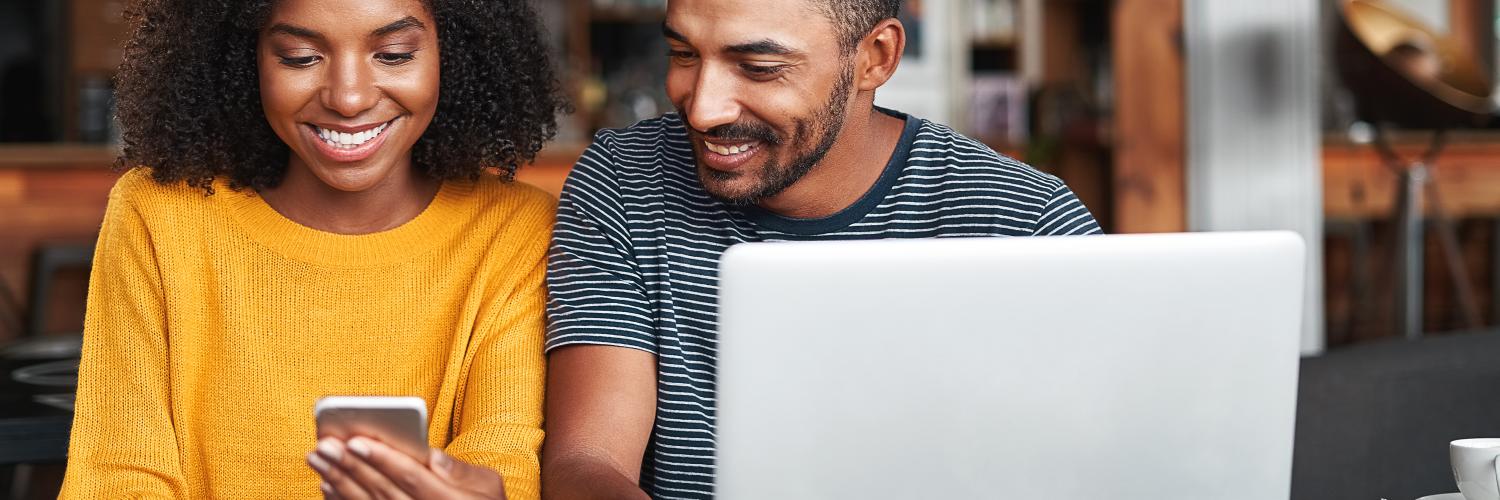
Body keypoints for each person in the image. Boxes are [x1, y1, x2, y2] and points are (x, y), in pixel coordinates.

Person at [541, 0, 1103, 498]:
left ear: (876, 57)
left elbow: (1111, 453)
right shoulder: (625, 177)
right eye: (683, 53)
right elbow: (585, 463)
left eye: (759, 68)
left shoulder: (1023, 219)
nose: (703, 109)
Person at [59, 0, 565, 498]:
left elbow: (504, 459)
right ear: (242, 58)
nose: (348, 98)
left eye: (393, 55)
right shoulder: (158, 214)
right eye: (300, 57)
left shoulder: (514, 231)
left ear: (454, 55)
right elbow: (117, 475)